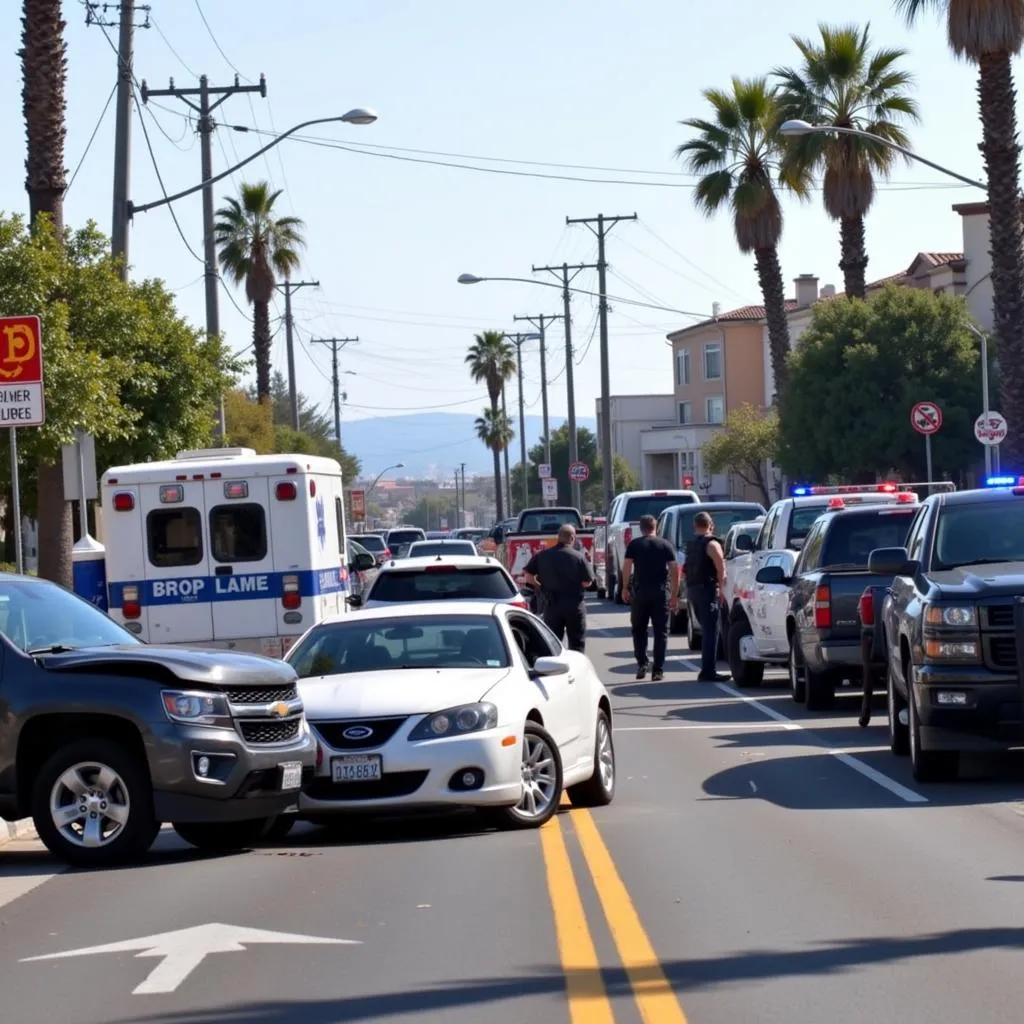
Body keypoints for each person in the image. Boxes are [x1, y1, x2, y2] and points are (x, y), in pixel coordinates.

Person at [622, 514, 679, 681]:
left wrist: (625, 587)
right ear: (656, 528)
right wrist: (674, 594)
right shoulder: (665, 545)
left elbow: (626, 567)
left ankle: (642, 663)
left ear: (641, 528)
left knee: (639, 629)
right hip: (661, 592)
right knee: (661, 632)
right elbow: (675, 570)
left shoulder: (634, 545)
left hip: (640, 593)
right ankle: (658, 670)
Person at [522, 524, 595, 652]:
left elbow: (528, 576)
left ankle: (555, 669)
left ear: (558, 537)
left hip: (552, 605)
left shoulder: (543, 555)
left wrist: (540, 586)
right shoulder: (579, 557)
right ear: (572, 538)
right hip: (574, 606)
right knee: (577, 644)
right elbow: (587, 582)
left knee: (552, 645)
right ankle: (577, 670)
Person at [683, 511, 729, 682]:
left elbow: (685, 570)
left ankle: (707, 669)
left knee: (706, 630)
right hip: (707, 590)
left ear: (695, 526)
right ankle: (708, 671)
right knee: (711, 631)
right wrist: (722, 591)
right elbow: (721, 569)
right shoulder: (712, 544)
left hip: (694, 590)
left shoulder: (692, 545)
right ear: (711, 525)